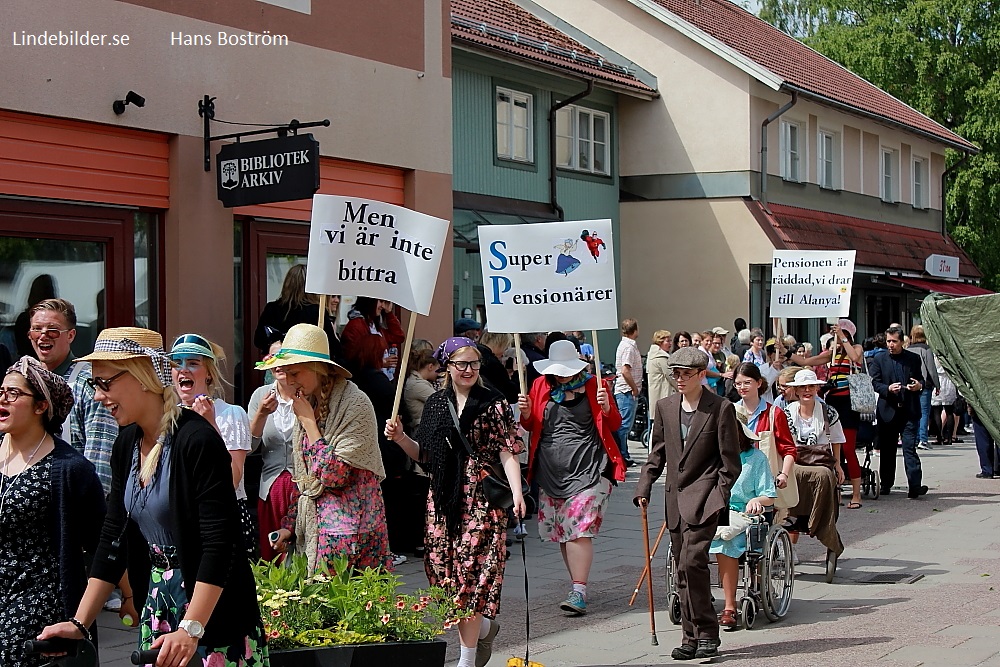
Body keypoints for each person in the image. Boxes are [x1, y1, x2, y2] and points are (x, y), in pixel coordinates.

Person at [40, 327, 267, 667]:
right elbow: (112, 539)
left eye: (105, 383)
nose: (99, 396)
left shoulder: (197, 440)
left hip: (212, 609)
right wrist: (79, 623)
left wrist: (191, 627)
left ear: (142, 376)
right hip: (160, 604)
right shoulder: (126, 443)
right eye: (94, 384)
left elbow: (221, 544)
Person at [384, 337, 525, 667]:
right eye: (461, 364)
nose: (468, 370)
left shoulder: (494, 403)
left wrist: (517, 493)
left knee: (470, 580)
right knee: (444, 578)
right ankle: (484, 627)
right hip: (444, 503)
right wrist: (401, 437)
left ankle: (466, 658)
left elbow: (507, 451)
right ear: (446, 366)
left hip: (482, 502)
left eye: (474, 363)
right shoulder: (435, 405)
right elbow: (425, 457)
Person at [635, 347, 741, 661]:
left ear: (700, 374)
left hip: (706, 499)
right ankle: (690, 638)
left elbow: (730, 462)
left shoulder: (720, 408)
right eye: (676, 374)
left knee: (691, 563)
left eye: (686, 374)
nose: (679, 379)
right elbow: (657, 453)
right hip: (674, 501)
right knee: (681, 570)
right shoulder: (665, 406)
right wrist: (644, 486)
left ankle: (708, 633)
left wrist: (718, 495)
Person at [0, 356, 106, 667]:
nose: (3, 398)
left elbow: (104, 542)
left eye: (14, 393)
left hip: (36, 607)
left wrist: (126, 597)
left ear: (41, 406)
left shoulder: (70, 469)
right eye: (0, 391)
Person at [262, 324, 391, 573]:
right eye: (285, 373)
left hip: (355, 537)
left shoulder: (354, 403)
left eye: (295, 373)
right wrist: (289, 526)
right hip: (317, 533)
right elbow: (305, 480)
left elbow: (334, 474)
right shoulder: (310, 401)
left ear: (317, 369)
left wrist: (309, 423)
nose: (288, 381)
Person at [517, 340, 625, 615]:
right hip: (552, 470)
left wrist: (608, 407)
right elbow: (531, 425)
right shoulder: (541, 385)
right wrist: (526, 414)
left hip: (589, 467)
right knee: (564, 533)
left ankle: (579, 590)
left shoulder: (595, 385)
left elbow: (614, 425)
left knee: (579, 530)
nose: (562, 375)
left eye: (567, 370)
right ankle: (575, 585)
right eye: (558, 370)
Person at [168, 334, 254, 558]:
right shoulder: (166, 418)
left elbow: (233, 479)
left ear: (208, 374)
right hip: (180, 521)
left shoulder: (231, 414)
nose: (183, 369)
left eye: (193, 363)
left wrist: (209, 424)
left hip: (222, 518)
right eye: (177, 363)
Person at [28, 298, 118, 496]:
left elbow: (100, 463)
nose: (43, 336)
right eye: (37, 329)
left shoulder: (88, 384)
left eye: (52, 330)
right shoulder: (23, 384)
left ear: (70, 335)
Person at [347, 334, 420, 564]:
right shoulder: (376, 379)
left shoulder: (356, 379)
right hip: (385, 443)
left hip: (370, 442)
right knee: (391, 497)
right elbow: (397, 408)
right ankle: (392, 545)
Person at [787, 319, 865, 508]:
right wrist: (785, 349)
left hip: (850, 403)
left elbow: (855, 358)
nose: (837, 338)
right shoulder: (831, 355)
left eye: (842, 334)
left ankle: (856, 494)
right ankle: (834, 489)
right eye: (835, 335)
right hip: (832, 401)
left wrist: (842, 336)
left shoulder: (856, 348)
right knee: (830, 448)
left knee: (848, 449)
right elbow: (805, 361)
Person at [709, 422, 775, 630]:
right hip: (716, 509)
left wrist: (758, 501)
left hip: (745, 513)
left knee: (726, 542)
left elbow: (769, 495)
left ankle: (729, 606)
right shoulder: (711, 456)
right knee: (691, 539)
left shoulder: (756, 459)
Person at [782, 369, 846, 560]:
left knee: (824, 476)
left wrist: (838, 465)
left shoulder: (829, 412)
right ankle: (789, 531)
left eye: (811, 386)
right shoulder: (787, 413)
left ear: (817, 388)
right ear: (797, 390)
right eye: (803, 387)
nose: (807, 390)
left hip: (821, 460)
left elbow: (836, 439)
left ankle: (820, 523)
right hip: (795, 459)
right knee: (787, 477)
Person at [247, 340, 297, 562]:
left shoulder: (307, 394)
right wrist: (261, 414)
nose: (278, 363)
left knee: (301, 557)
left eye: (283, 357)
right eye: (273, 357)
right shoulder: (260, 395)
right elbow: (248, 447)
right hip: (271, 490)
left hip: (302, 489)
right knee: (272, 558)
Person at [869, 325, 928, 498]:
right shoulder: (879, 359)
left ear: (902, 342)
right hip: (888, 410)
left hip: (909, 409)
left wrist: (919, 386)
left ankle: (915, 486)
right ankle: (886, 484)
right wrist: (887, 388)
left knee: (909, 449)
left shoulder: (913, 358)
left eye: (894, 341)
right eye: (888, 341)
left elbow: (921, 380)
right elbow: (874, 382)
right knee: (888, 449)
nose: (891, 344)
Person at [732, 362, 796, 506]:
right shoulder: (730, 411)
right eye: (738, 384)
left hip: (765, 479)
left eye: (747, 383)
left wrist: (784, 474)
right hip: (737, 480)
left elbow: (788, 449)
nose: (742, 387)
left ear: (759, 382)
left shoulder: (775, 413)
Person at [252, 264, 341, 362]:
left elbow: (259, 340)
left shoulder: (272, 308)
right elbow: (332, 347)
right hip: (306, 366)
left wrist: (276, 343)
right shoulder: (316, 311)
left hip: (277, 364)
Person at [340, 297, 404, 378]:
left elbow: (398, 337)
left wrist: (389, 313)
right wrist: (381, 363)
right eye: (380, 301)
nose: (383, 306)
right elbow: (353, 359)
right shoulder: (356, 326)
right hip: (367, 381)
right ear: (370, 301)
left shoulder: (374, 325)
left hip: (381, 378)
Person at [613, 319, 642, 467]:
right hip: (626, 390)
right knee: (624, 425)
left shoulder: (626, 345)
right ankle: (622, 455)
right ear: (635, 330)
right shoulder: (628, 347)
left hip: (626, 390)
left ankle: (623, 454)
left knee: (625, 425)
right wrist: (634, 387)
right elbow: (625, 370)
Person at [907, 325, 939, 450]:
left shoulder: (908, 349)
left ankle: (914, 439)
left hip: (911, 382)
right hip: (925, 384)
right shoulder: (926, 349)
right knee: (924, 412)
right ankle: (923, 439)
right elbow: (931, 368)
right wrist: (937, 384)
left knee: (913, 411)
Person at [404, 346, 440, 428]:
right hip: (423, 427)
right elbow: (442, 402)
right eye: (438, 369)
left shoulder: (415, 381)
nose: (438, 373)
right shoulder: (417, 385)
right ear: (430, 367)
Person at [477, 331, 517, 403]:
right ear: (501, 344)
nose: (505, 351)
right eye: (506, 347)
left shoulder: (476, 354)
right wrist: (517, 373)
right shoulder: (492, 363)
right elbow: (512, 395)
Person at [930, 354, 957, 447]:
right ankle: (949, 437)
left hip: (938, 379)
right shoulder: (950, 355)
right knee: (949, 411)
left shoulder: (934, 355)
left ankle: (939, 437)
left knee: (937, 411)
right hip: (949, 380)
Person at [646, 329, 675, 406]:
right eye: (668, 341)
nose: (670, 343)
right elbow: (671, 376)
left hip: (657, 396)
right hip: (664, 395)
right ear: (660, 342)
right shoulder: (661, 357)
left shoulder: (652, 355)